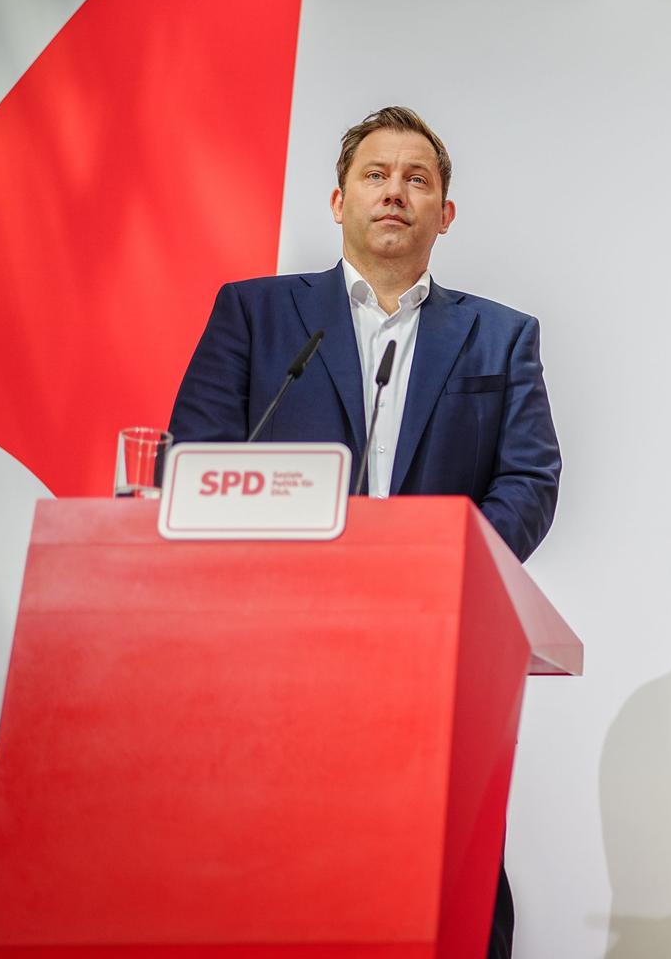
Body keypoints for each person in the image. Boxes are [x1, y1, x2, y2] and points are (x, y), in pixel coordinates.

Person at [168, 105, 561, 959]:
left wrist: (451, 571)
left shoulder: (501, 337)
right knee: (271, 869)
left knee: (447, 876)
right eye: (377, 175)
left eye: (418, 179)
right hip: (273, 643)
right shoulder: (256, 315)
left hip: (435, 644)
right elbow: (193, 462)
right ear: (338, 199)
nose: (396, 192)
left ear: (444, 214)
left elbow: (530, 480)